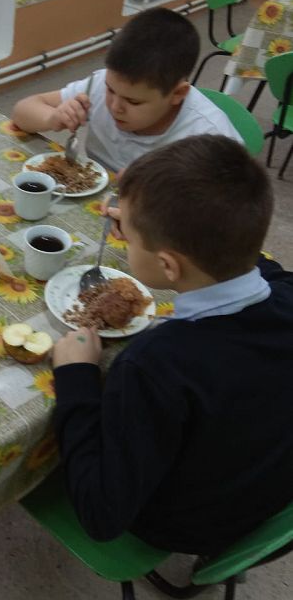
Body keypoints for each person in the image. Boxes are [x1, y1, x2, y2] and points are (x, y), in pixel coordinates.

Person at [52, 134, 293, 555]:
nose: (123, 238)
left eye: (129, 238)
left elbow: (101, 515)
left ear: (167, 264)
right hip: (268, 492)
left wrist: (77, 376)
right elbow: (266, 269)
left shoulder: (153, 365)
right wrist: (145, 224)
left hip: (184, 523)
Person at [11, 8, 241, 172]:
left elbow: (233, 218)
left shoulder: (210, 140)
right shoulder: (98, 86)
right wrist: (52, 118)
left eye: (134, 102)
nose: (115, 107)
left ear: (177, 94)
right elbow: (22, 111)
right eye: (110, 90)